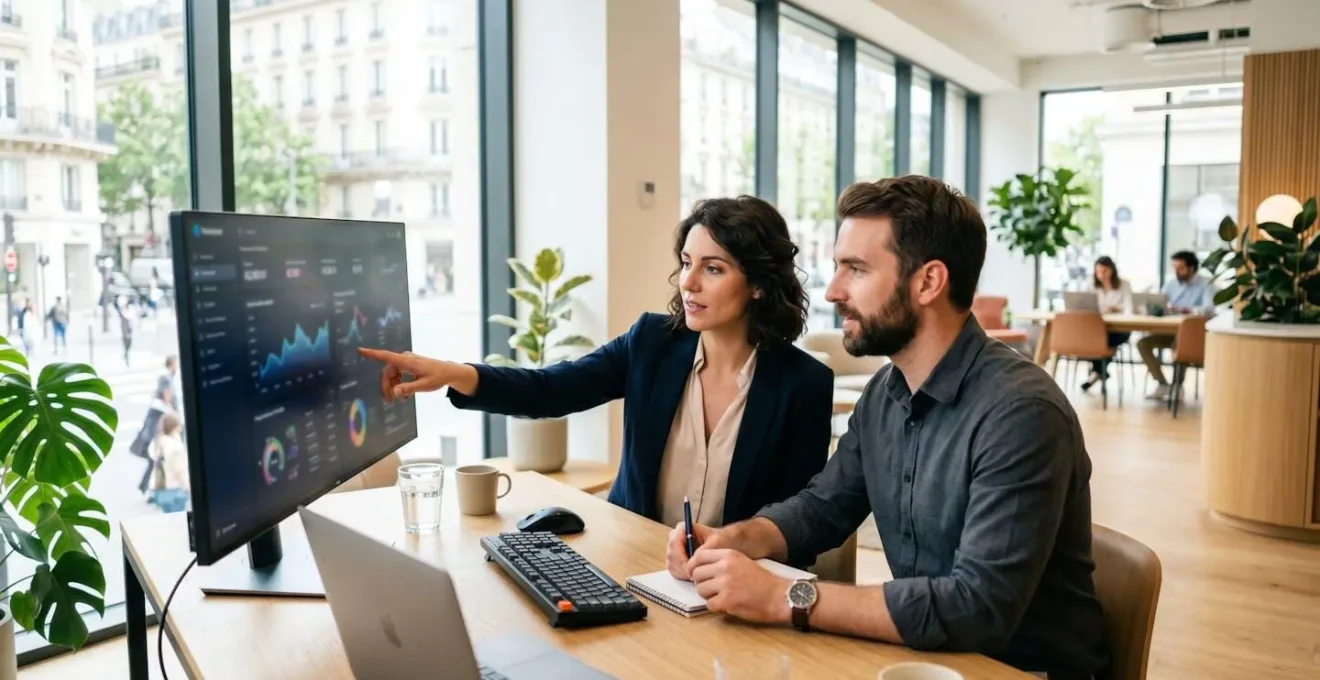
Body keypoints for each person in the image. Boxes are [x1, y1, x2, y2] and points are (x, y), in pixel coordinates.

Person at [665, 177, 1107, 680]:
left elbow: (976, 608)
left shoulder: (1021, 413)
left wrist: (785, 596)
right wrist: (734, 539)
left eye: (855, 269)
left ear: (928, 282)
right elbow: (822, 507)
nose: (832, 291)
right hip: (925, 658)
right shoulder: (886, 392)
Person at [360, 195, 834, 528]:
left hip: (729, 588)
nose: (688, 283)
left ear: (758, 284)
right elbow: (553, 389)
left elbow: (797, 520)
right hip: (632, 562)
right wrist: (456, 374)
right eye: (687, 263)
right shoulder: (652, 342)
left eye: (713, 268)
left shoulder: (803, 384)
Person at [1137, 250, 1216, 401]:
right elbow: (1160, 301)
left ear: (1191, 268)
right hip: (1170, 330)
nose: (1177, 272)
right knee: (1143, 344)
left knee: (1179, 344)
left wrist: (1187, 310)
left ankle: (1177, 386)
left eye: (1180, 268)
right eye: (1175, 268)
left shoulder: (1206, 284)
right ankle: (1162, 384)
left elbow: (1209, 308)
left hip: (1192, 335)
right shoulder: (1171, 284)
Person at [1081, 256, 1132, 392]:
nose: (1101, 275)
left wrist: (1116, 309)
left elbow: (1129, 309)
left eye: (1104, 271)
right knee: (1085, 340)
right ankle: (1101, 371)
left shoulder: (1124, 284)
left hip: (1119, 329)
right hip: (1096, 327)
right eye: (1098, 271)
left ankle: (1097, 372)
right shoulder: (1091, 284)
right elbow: (1084, 304)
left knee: (1106, 340)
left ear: (1112, 271)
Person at [132, 384, 175, 496]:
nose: (170, 395)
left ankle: (147, 487)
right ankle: (153, 490)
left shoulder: (161, 407)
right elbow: (152, 429)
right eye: (167, 393)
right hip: (154, 444)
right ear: (162, 394)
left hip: (157, 443)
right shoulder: (158, 409)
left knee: (155, 466)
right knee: (156, 466)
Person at [148, 412, 189, 513]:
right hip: (175, 490)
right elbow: (180, 471)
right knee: (176, 519)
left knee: (166, 516)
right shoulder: (175, 448)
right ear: (175, 428)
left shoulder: (158, 442)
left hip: (160, 489)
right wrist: (188, 487)